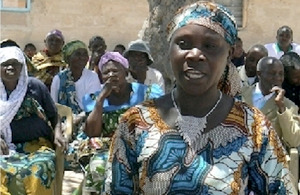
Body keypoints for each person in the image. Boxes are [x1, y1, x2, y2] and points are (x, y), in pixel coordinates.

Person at [103, 1, 297, 194]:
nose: (195, 55)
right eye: (183, 44)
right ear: (169, 51)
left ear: (229, 54)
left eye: (210, 45)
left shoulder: (254, 127)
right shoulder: (134, 124)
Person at [77, 51, 164, 193]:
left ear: (125, 71)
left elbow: (157, 122)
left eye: (115, 71)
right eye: (106, 73)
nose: (111, 75)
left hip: (141, 146)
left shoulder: (147, 93)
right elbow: (93, 133)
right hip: (108, 148)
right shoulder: (94, 99)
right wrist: (101, 100)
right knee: (98, 166)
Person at [0, 46, 66, 194]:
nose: (10, 67)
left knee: (40, 169)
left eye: (15, 63)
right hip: (5, 148)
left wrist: (58, 134)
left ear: (22, 66)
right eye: (5, 64)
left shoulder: (35, 86)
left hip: (37, 146)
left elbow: (54, 115)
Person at [50, 40, 102, 170]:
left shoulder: (92, 77)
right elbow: (54, 106)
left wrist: (75, 119)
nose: (82, 58)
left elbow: (92, 106)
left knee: (83, 144)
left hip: (85, 119)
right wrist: (65, 122)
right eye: (77, 54)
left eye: (85, 54)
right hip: (62, 120)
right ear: (68, 58)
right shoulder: (59, 79)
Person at [240, 56, 300, 148]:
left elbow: (294, 141)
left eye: (281, 74)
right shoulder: (241, 94)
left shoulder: (289, 106)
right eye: (272, 73)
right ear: (259, 74)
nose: (277, 78)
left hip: (269, 158)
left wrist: (282, 109)